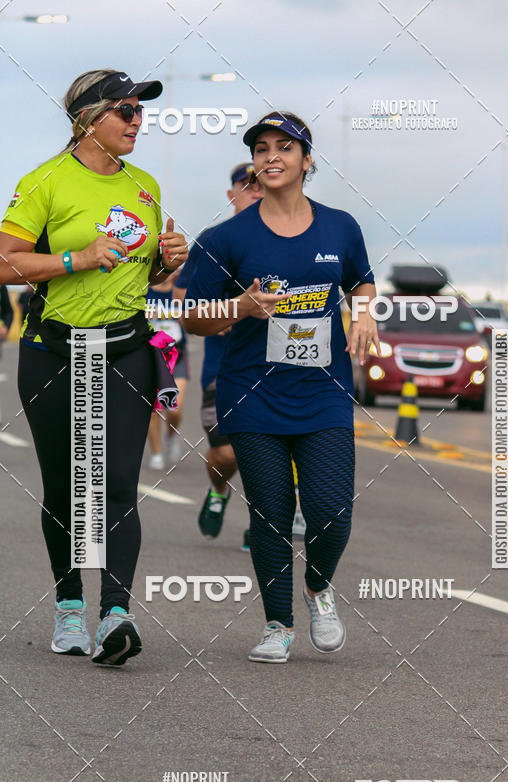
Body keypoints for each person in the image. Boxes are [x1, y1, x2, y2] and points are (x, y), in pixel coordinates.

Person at [0, 68, 188, 665]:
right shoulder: (44, 182)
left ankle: (115, 614)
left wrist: (166, 261)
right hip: (54, 350)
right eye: (125, 111)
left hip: (126, 349)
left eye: (141, 111)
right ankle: (69, 608)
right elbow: (5, 264)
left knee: (114, 486)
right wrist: (75, 257)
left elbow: (145, 275)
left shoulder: (145, 185)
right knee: (65, 487)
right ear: (88, 119)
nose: (139, 121)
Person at [184, 111, 379, 662]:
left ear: (306, 160)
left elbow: (361, 279)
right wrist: (238, 307)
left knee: (331, 510)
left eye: (284, 148)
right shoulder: (224, 237)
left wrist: (364, 314)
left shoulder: (340, 226)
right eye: (262, 148)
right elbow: (193, 317)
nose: (271, 156)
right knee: (269, 513)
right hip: (252, 391)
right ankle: (277, 624)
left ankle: (318, 588)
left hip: (324, 392)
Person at [173, 162, 263, 547]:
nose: (255, 191)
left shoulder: (290, 234)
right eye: (247, 186)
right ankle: (219, 490)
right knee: (226, 454)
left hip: (275, 365)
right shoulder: (215, 238)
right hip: (223, 367)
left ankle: (261, 528)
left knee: (268, 453)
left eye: (260, 184)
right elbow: (181, 295)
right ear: (232, 193)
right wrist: (220, 313)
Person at [146, 267, 189, 470]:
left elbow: (194, 322)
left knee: (174, 408)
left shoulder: (181, 292)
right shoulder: (145, 291)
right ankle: (156, 453)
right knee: (154, 410)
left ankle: (171, 436)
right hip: (152, 356)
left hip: (177, 354)